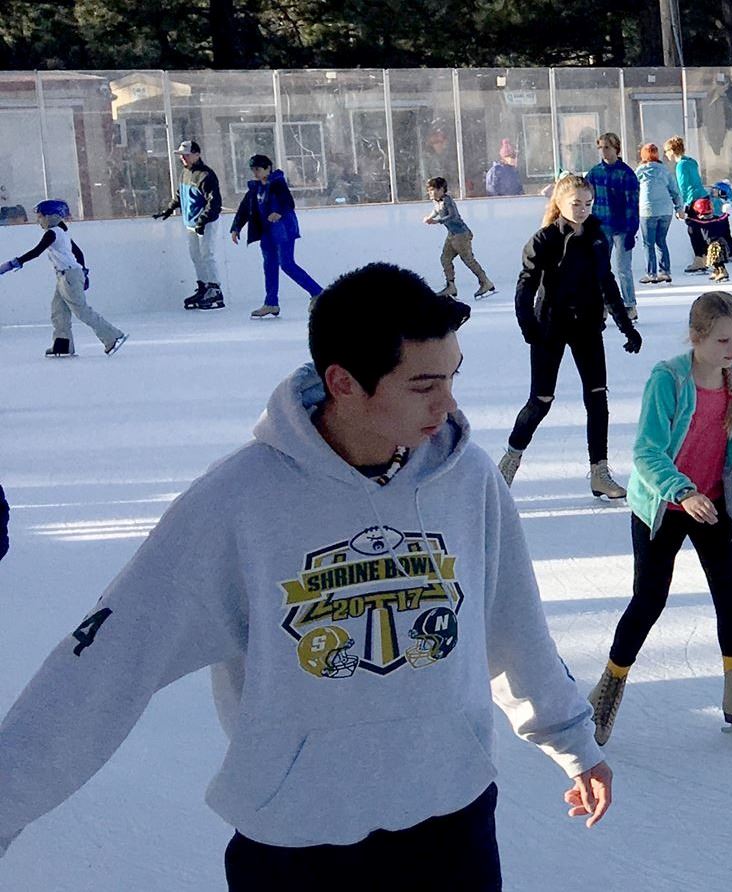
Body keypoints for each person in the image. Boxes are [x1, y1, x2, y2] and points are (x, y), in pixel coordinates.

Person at [0, 263, 612, 885]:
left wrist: (572, 740)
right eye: (423, 384)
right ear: (343, 382)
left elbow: (513, 625)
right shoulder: (238, 502)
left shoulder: (468, 478)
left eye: (453, 376)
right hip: (297, 842)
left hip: (453, 822)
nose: (448, 404)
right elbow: (106, 665)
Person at [589, 290, 732, 745]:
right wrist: (683, 491)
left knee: (730, 595)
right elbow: (647, 452)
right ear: (696, 336)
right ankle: (608, 687)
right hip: (663, 506)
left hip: (713, 502)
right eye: (723, 340)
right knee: (649, 599)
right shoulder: (670, 380)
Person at [499, 174, 645, 501]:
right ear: (560, 203)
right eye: (576, 204)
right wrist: (528, 325)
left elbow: (607, 283)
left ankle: (599, 472)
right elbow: (525, 286)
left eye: (588, 204)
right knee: (541, 400)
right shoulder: (544, 240)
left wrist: (626, 326)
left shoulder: (596, 237)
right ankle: (509, 461)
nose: (582, 210)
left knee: (597, 398)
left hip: (587, 326)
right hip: (550, 326)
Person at [1, 199, 125, 358]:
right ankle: (63, 345)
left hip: (69, 276)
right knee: (58, 311)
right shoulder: (62, 232)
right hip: (65, 276)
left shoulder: (52, 233)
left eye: (40, 216)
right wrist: (84, 272)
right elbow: (78, 253)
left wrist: (11, 264)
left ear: (51, 216)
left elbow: (36, 252)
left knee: (82, 311)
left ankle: (112, 336)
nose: (39, 220)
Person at [228, 154, 324, 320]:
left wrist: (278, 212)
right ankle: (271, 302)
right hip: (267, 232)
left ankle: (318, 292)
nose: (255, 173)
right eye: (253, 170)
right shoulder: (255, 188)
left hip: (283, 230)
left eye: (258, 169)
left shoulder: (278, 183)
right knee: (269, 265)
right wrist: (236, 227)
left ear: (268, 168)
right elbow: (245, 208)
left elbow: (288, 202)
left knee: (286, 264)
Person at [152, 140, 226, 310]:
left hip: (206, 223)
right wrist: (169, 209)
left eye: (186, 155)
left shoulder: (206, 175)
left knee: (207, 255)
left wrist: (203, 220)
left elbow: (214, 202)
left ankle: (215, 289)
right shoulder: (185, 173)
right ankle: (203, 286)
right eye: (181, 155)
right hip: (191, 223)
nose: (183, 158)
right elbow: (181, 194)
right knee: (196, 256)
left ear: (197, 155)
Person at [584, 133, 641, 318]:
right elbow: (585, 193)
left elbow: (633, 204)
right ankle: (602, 304)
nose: (603, 151)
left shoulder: (626, 174)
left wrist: (632, 230)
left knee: (623, 269)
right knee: (600, 267)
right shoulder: (595, 172)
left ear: (616, 148)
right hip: (601, 226)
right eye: (600, 148)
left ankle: (630, 305)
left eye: (607, 147)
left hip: (622, 227)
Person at [423, 177, 497, 300]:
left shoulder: (447, 200)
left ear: (441, 189)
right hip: (452, 234)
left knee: (468, 260)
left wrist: (437, 221)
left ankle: (485, 282)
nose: (430, 193)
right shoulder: (437, 201)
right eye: (429, 190)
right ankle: (451, 286)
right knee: (445, 259)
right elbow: (436, 210)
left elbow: (453, 216)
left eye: (433, 189)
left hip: (461, 234)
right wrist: (429, 217)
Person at [637, 144, 681, 286]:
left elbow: (633, 191)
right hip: (665, 210)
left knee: (648, 243)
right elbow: (675, 191)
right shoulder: (665, 170)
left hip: (648, 210)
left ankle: (651, 274)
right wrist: (679, 208)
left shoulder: (640, 171)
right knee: (661, 241)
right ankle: (665, 272)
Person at [668, 137, 711, 273]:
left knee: (693, 230)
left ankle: (699, 259)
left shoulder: (680, 165)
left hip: (692, 200)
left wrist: (682, 206)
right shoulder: (691, 162)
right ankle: (705, 257)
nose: (666, 154)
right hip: (703, 197)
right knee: (702, 229)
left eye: (667, 151)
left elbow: (683, 186)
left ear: (672, 151)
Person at [681, 197, 732, 283]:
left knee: (717, 260)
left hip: (714, 245)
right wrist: (726, 213)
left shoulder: (702, 222)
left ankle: (723, 272)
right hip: (721, 242)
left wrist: (687, 215)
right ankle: (716, 271)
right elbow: (723, 219)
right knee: (714, 260)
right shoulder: (717, 219)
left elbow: (693, 222)